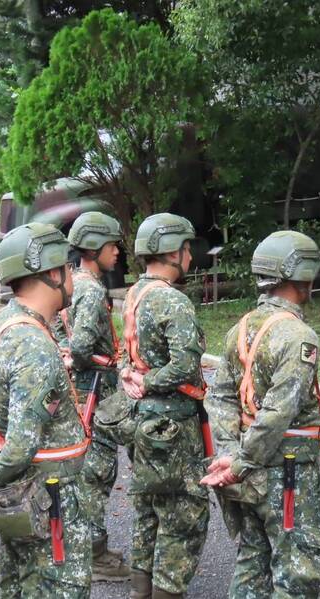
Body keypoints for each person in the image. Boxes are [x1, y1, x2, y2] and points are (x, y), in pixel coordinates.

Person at [0, 222, 91, 598]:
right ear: (53, 274)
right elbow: (22, 446)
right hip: (51, 498)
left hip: (20, 497)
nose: (72, 275)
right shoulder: (34, 346)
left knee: (19, 585)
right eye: (68, 267)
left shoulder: (0, 324)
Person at [201, 230, 320, 598]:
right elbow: (278, 412)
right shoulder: (298, 336)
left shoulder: (239, 329)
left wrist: (229, 454)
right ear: (300, 275)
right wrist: (239, 462)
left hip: (246, 471)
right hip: (286, 471)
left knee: (252, 561)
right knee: (299, 568)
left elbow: (220, 396)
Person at [120, 213, 209, 599]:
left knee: (149, 507)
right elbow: (185, 365)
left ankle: (142, 588)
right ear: (174, 252)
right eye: (187, 249)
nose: (190, 257)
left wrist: (134, 377)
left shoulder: (134, 296)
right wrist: (150, 380)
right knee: (184, 515)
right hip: (174, 424)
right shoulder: (172, 300)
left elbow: (133, 353)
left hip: (143, 420)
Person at [62, 211, 131, 581]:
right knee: (98, 471)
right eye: (111, 245)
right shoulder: (89, 289)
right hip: (95, 392)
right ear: (93, 248)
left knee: (92, 471)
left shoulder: (77, 282)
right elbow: (83, 346)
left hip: (87, 389)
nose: (117, 251)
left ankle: (93, 546)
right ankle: (93, 554)